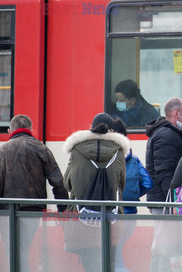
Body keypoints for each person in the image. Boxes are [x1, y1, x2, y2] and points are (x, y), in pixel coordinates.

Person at [0, 114, 68, 272]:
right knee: (22, 251)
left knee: (14, 251)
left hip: (7, 213)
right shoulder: (41, 149)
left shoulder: (0, 152)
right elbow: (58, 182)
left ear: (9, 130)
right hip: (32, 210)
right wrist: (63, 210)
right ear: (31, 129)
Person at [63, 112, 129, 272]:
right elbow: (122, 184)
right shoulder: (119, 151)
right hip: (110, 220)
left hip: (83, 219)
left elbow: (68, 184)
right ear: (111, 130)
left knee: (89, 264)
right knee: (109, 265)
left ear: (91, 128)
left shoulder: (77, 149)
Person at [112, 118, 153, 272]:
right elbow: (148, 183)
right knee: (116, 255)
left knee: (113, 259)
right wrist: (133, 196)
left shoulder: (107, 160)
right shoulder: (133, 159)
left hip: (113, 216)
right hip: (131, 215)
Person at [145, 97, 182, 213]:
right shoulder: (166, 136)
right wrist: (173, 202)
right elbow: (164, 172)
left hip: (167, 200)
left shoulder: (172, 134)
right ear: (177, 113)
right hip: (165, 202)